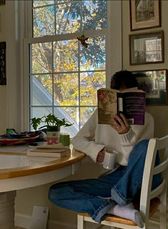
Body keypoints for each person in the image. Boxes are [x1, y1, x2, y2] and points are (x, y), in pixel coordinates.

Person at [48, 70, 161, 227]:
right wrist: (96, 151)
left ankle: (121, 197)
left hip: (140, 180)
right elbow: (78, 140)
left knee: (145, 146)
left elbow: (134, 160)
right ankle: (116, 207)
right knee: (56, 192)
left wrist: (125, 134)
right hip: (113, 179)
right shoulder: (99, 116)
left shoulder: (147, 119)